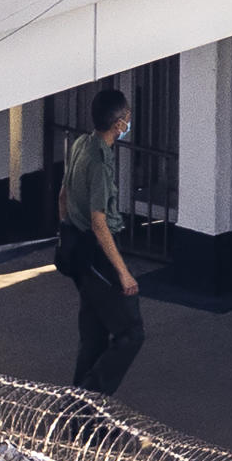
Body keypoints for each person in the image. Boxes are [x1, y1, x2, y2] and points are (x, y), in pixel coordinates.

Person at [58, 88, 144, 395]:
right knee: (131, 333)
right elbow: (99, 222)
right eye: (127, 117)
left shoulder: (82, 143)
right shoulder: (100, 164)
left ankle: (79, 406)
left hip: (78, 251)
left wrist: (66, 231)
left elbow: (63, 196)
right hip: (98, 255)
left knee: (93, 334)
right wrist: (123, 271)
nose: (129, 122)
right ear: (119, 124)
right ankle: (88, 403)